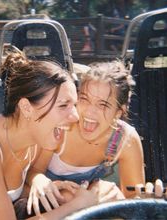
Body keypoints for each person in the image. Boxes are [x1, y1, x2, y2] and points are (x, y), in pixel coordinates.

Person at [0, 48, 121, 219]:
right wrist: (78, 205)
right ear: (26, 107)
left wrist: (56, 190)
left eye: (74, 105)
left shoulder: (33, 142)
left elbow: (4, 197)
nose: (74, 117)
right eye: (63, 105)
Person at [26, 60, 146, 215]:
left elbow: (133, 196)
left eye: (102, 105)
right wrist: (39, 179)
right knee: (68, 196)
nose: (89, 111)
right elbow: (32, 171)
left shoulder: (123, 139)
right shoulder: (62, 127)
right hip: (47, 202)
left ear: (118, 112)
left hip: (88, 206)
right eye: (84, 99)